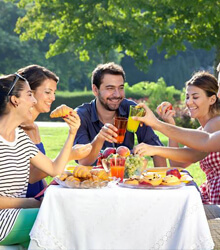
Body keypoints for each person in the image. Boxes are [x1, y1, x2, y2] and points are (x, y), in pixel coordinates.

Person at [133, 54, 220, 249]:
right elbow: (206, 140)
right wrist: (157, 123)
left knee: (187, 234)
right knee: (178, 218)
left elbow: (194, 152)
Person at [138, 71, 220, 205]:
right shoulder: (201, 131)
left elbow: (193, 155)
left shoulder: (218, 122)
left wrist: (154, 149)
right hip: (216, 196)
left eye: (195, 97)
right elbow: (177, 165)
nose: (189, 102)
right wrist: (170, 124)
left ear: (212, 99)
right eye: (187, 96)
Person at [0, 73, 80, 247]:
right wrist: (34, 203)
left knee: (66, 217)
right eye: (29, 94)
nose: (34, 101)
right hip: (3, 222)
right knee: (61, 221)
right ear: (15, 100)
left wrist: (72, 133)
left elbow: (53, 169)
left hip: (18, 214)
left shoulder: (20, 137)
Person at [17, 65, 92, 198]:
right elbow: (31, 177)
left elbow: (39, 176)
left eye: (54, 93)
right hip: (23, 203)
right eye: (47, 92)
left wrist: (47, 193)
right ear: (30, 92)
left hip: (38, 198)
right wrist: (70, 155)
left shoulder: (34, 128)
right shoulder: (17, 128)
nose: (53, 98)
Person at [74, 62, 167, 167]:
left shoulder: (131, 110)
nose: (117, 94)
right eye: (110, 88)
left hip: (126, 181)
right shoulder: (81, 115)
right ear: (95, 90)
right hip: (93, 181)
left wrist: (161, 179)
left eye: (121, 88)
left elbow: (157, 150)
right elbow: (83, 161)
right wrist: (100, 138)